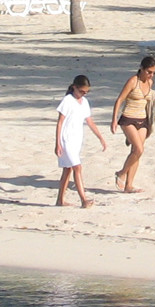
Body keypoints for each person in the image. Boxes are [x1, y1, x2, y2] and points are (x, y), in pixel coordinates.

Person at [111, 55, 155, 193]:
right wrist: (114, 119)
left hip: (143, 120)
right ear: (141, 68)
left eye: (153, 73)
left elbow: (148, 98)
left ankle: (129, 185)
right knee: (139, 149)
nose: (151, 75)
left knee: (136, 152)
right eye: (148, 72)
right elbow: (120, 99)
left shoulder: (150, 83)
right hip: (128, 118)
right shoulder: (133, 81)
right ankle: (121, 173)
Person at [54, 75, 105, 208]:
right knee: (77, 167)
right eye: (81, 91)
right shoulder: (67, 100)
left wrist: (100, 137)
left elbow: (90, 121)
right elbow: (60, 123)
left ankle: (60, 200)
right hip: (66, 139)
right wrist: (57, 143)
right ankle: (84, 200)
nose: (83, 94)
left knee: (68, 169)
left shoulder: (84, 102)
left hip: (77, 139)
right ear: (74, 87)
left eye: (86, 92)